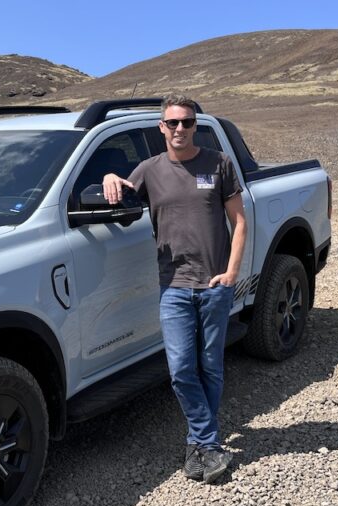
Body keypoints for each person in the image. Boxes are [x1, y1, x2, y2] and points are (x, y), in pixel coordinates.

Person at [103, 93, 247, 484]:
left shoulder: (218, 164)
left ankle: (199, 444)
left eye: (186, 122)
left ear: (195, 126)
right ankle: (208, 443)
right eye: (172, 123)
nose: (179, 128)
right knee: (183, 368)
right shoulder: (149, 170)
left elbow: (240, 222)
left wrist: (232, 273)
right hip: (174, 287)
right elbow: (121, 191)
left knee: (211, 366)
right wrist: (109, 176)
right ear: (161, 128)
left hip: (215, 283)